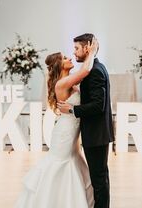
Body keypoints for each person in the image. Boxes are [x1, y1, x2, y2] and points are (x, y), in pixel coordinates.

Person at [14, 38, 98, 208]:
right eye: (65, 57)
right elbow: (86, 70)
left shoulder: (70, 81)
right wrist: (93, 51)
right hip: (65, 132)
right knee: (60, 163)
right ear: (60, 65)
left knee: (73, 160)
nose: (70, 58)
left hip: (72, 130)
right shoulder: (62, 83)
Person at [57, 33, 115, 208]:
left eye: (76, 48)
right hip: (96, 133)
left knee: (98, 179)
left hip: (96, 134)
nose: (74, 52)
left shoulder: (95, 71)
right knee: (100, 177)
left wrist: (73, 109)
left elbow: (99, 105)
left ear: (87, 47)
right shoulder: (92, 69)